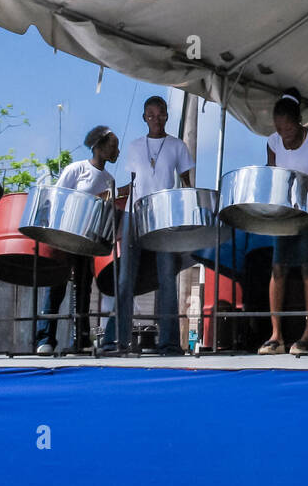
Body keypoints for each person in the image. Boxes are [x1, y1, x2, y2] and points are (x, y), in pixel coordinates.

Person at [103, 95, 194, 356]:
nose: (156, 118)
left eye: (160, 113)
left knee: (167, 278)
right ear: (144, 117)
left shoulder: (177, 146)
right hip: (135, 213)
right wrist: (109, 195)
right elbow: (134, 183)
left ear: (167, 115)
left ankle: (169, 343)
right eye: (150, 114)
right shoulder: (134, 146)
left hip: (165, 215)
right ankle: (114, 341)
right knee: (125, 279)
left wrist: (191, 210)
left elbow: (187, 182)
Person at [260, 89, 308, 356]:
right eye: (280, 129)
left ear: (299, 122)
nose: (285, 134)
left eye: (289, 128)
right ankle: (276, 335)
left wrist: (305, 187)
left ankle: (307, 334)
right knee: (278, 268)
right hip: (285, 213)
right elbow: (271, 177)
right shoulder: (272, 142)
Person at [35, 126, 119, 355]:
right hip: (66, 235)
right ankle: (45, 339)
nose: (117, 150)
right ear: (99, 147)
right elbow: (58, 196)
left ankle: (81, 338)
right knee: (56, 286)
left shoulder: (110, 179)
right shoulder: (77, 169)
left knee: (84, 288)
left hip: (88, 240)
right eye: (113, 145)